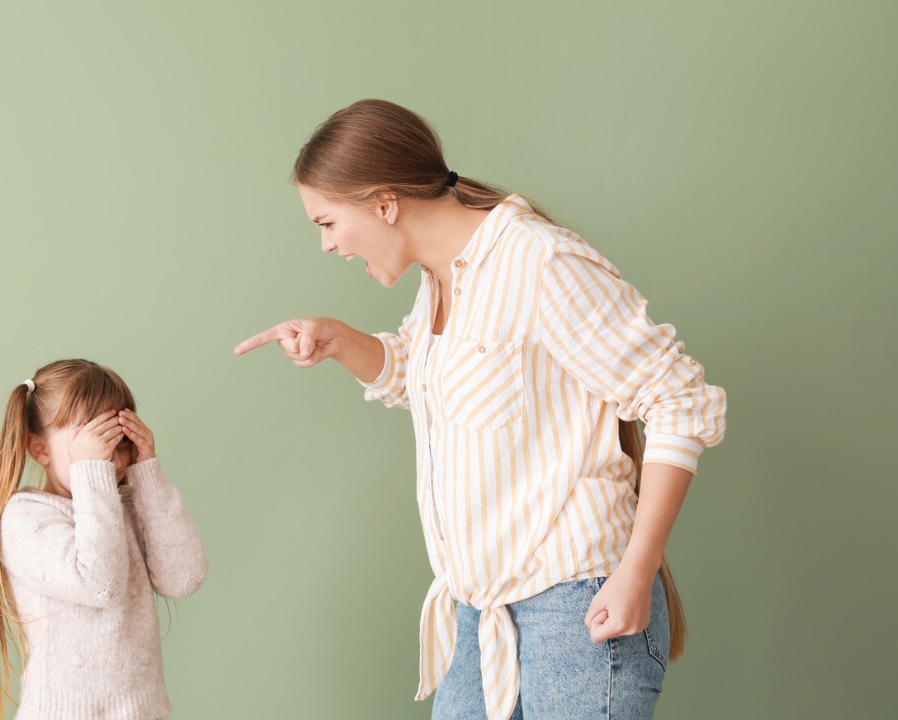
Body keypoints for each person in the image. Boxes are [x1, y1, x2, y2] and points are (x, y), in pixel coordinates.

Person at [235, 99, 726, 720]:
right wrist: (339, 341)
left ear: (385, 204)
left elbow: (679, 398)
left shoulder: (537, 262)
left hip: (574, 610)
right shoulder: (444, 276)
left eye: (327, 223)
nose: (327, 245)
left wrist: (636, 569)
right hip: (481, 612)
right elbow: (429, 376)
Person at [0, 359, 208, 720]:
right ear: (40, 449)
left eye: (120, 439)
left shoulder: (127, 508)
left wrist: (147, 472)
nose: (110, 455)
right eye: (93, 440)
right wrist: (91, 472)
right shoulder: (24, 518)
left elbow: (183, 578)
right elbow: (99, 584)